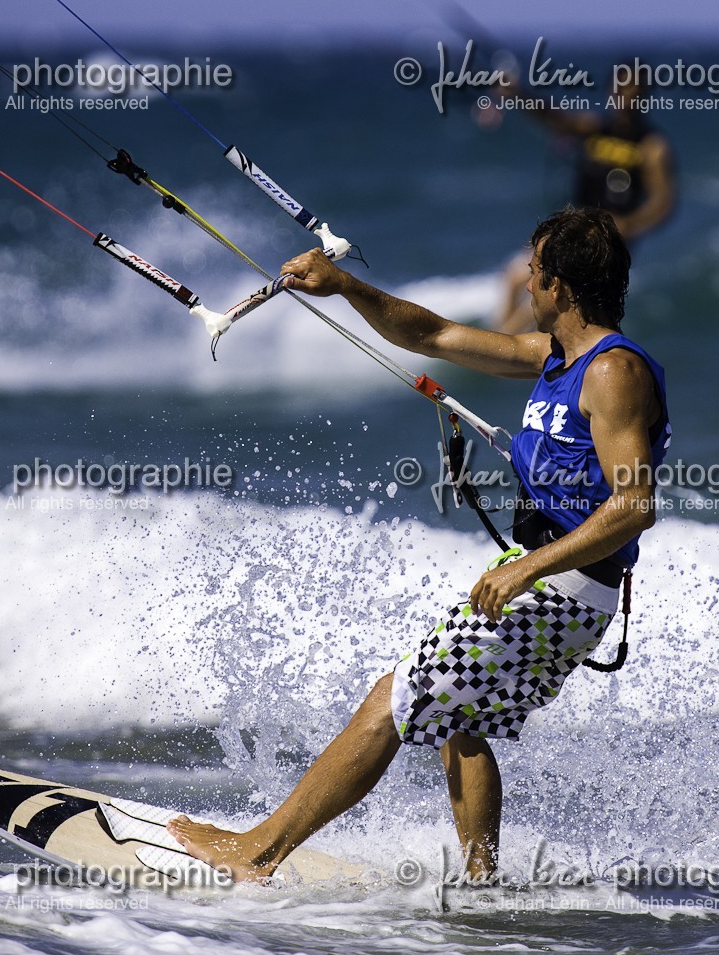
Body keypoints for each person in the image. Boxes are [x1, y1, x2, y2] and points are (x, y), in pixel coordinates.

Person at [168, 206, 671, 883]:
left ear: (561, 289)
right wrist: (345, 287)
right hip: (554, 581)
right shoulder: (557, 358)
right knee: (458, 716)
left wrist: (531, 568)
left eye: (534, 272)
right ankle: (483, 886)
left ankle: (257, 852)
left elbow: (635, 503)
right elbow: (434, 333)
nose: (524, 282)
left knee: (394, 696)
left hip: (565, 586)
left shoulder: (612, 373)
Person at [495, 78, 676, 332]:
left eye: (636, 92)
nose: (628, 98)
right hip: (574, 229)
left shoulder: (651, 146)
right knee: (514, 276)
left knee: (546, 294)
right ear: (611, 92)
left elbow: (663, 203)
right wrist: (519, 94)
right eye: (622, 90)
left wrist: (629, 225)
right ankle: (502, 346)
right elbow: (553, 117)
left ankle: (503, 349)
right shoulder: (594, 128)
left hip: (603, 243)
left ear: (645, 97)